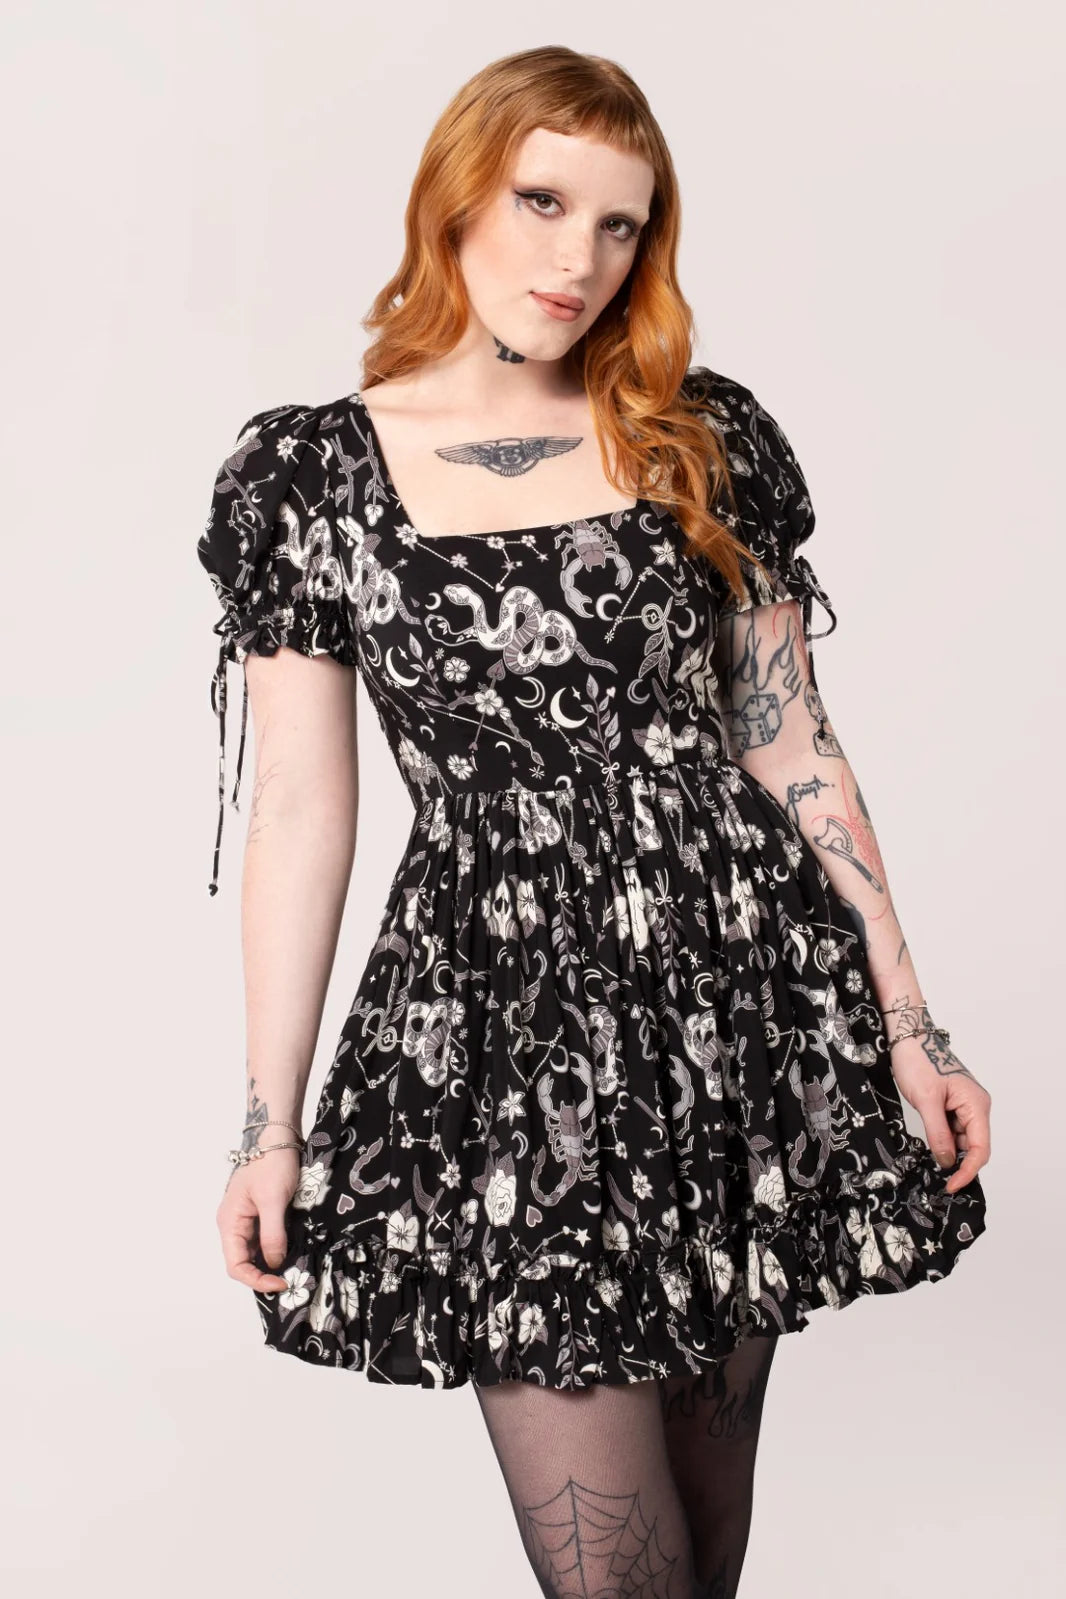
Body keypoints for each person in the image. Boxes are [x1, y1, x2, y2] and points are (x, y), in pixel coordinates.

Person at [197, 46, 990, 1599]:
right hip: (506, 1041)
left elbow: (790, 741)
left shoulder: (699, 434)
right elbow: (298, 807)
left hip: (737, 1007)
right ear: (453, 197)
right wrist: (268, 1124)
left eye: (621, 224)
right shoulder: (312, 475)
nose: (579, 258)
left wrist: (913, 1030)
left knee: (705, 1552)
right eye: (542, 202)